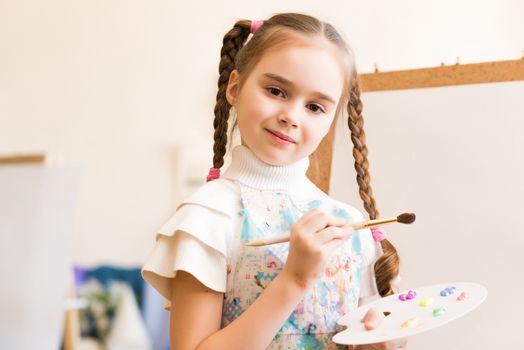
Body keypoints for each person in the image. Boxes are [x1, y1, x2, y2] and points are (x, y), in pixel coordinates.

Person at [142, 12, 407, 349]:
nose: (291, 116)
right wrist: (294, 280)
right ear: (234, 88)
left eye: (314, 107)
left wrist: (379, 342)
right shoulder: (207, 218)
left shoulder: (350, 228)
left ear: (331, 120)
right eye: (276, 90)